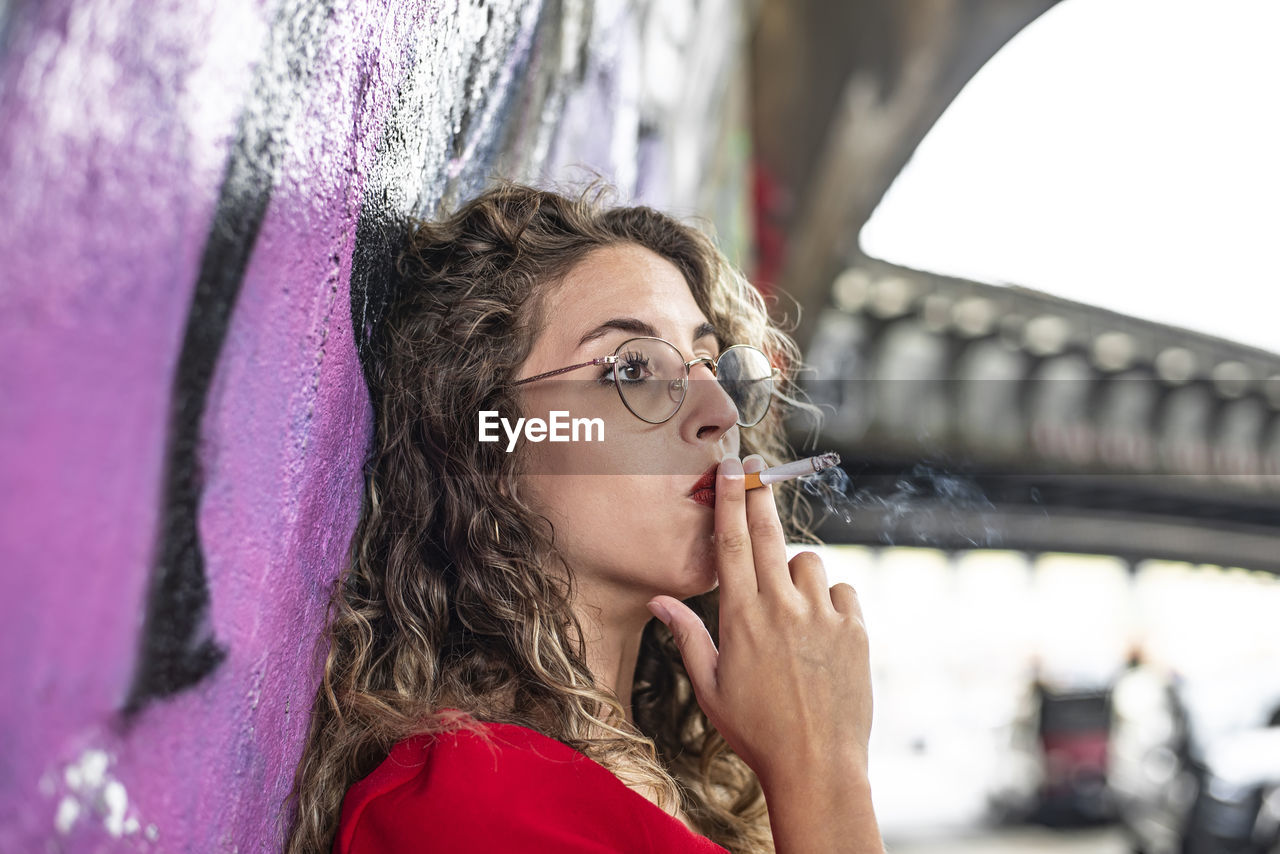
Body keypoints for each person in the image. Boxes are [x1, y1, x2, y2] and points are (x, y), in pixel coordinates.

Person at [284, 183, 883, 853]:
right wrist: (825, 770)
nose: (720, 412)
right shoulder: (467, 804)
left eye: (709, 364)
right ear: (491, 442)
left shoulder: (676, 786)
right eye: (633, 369)